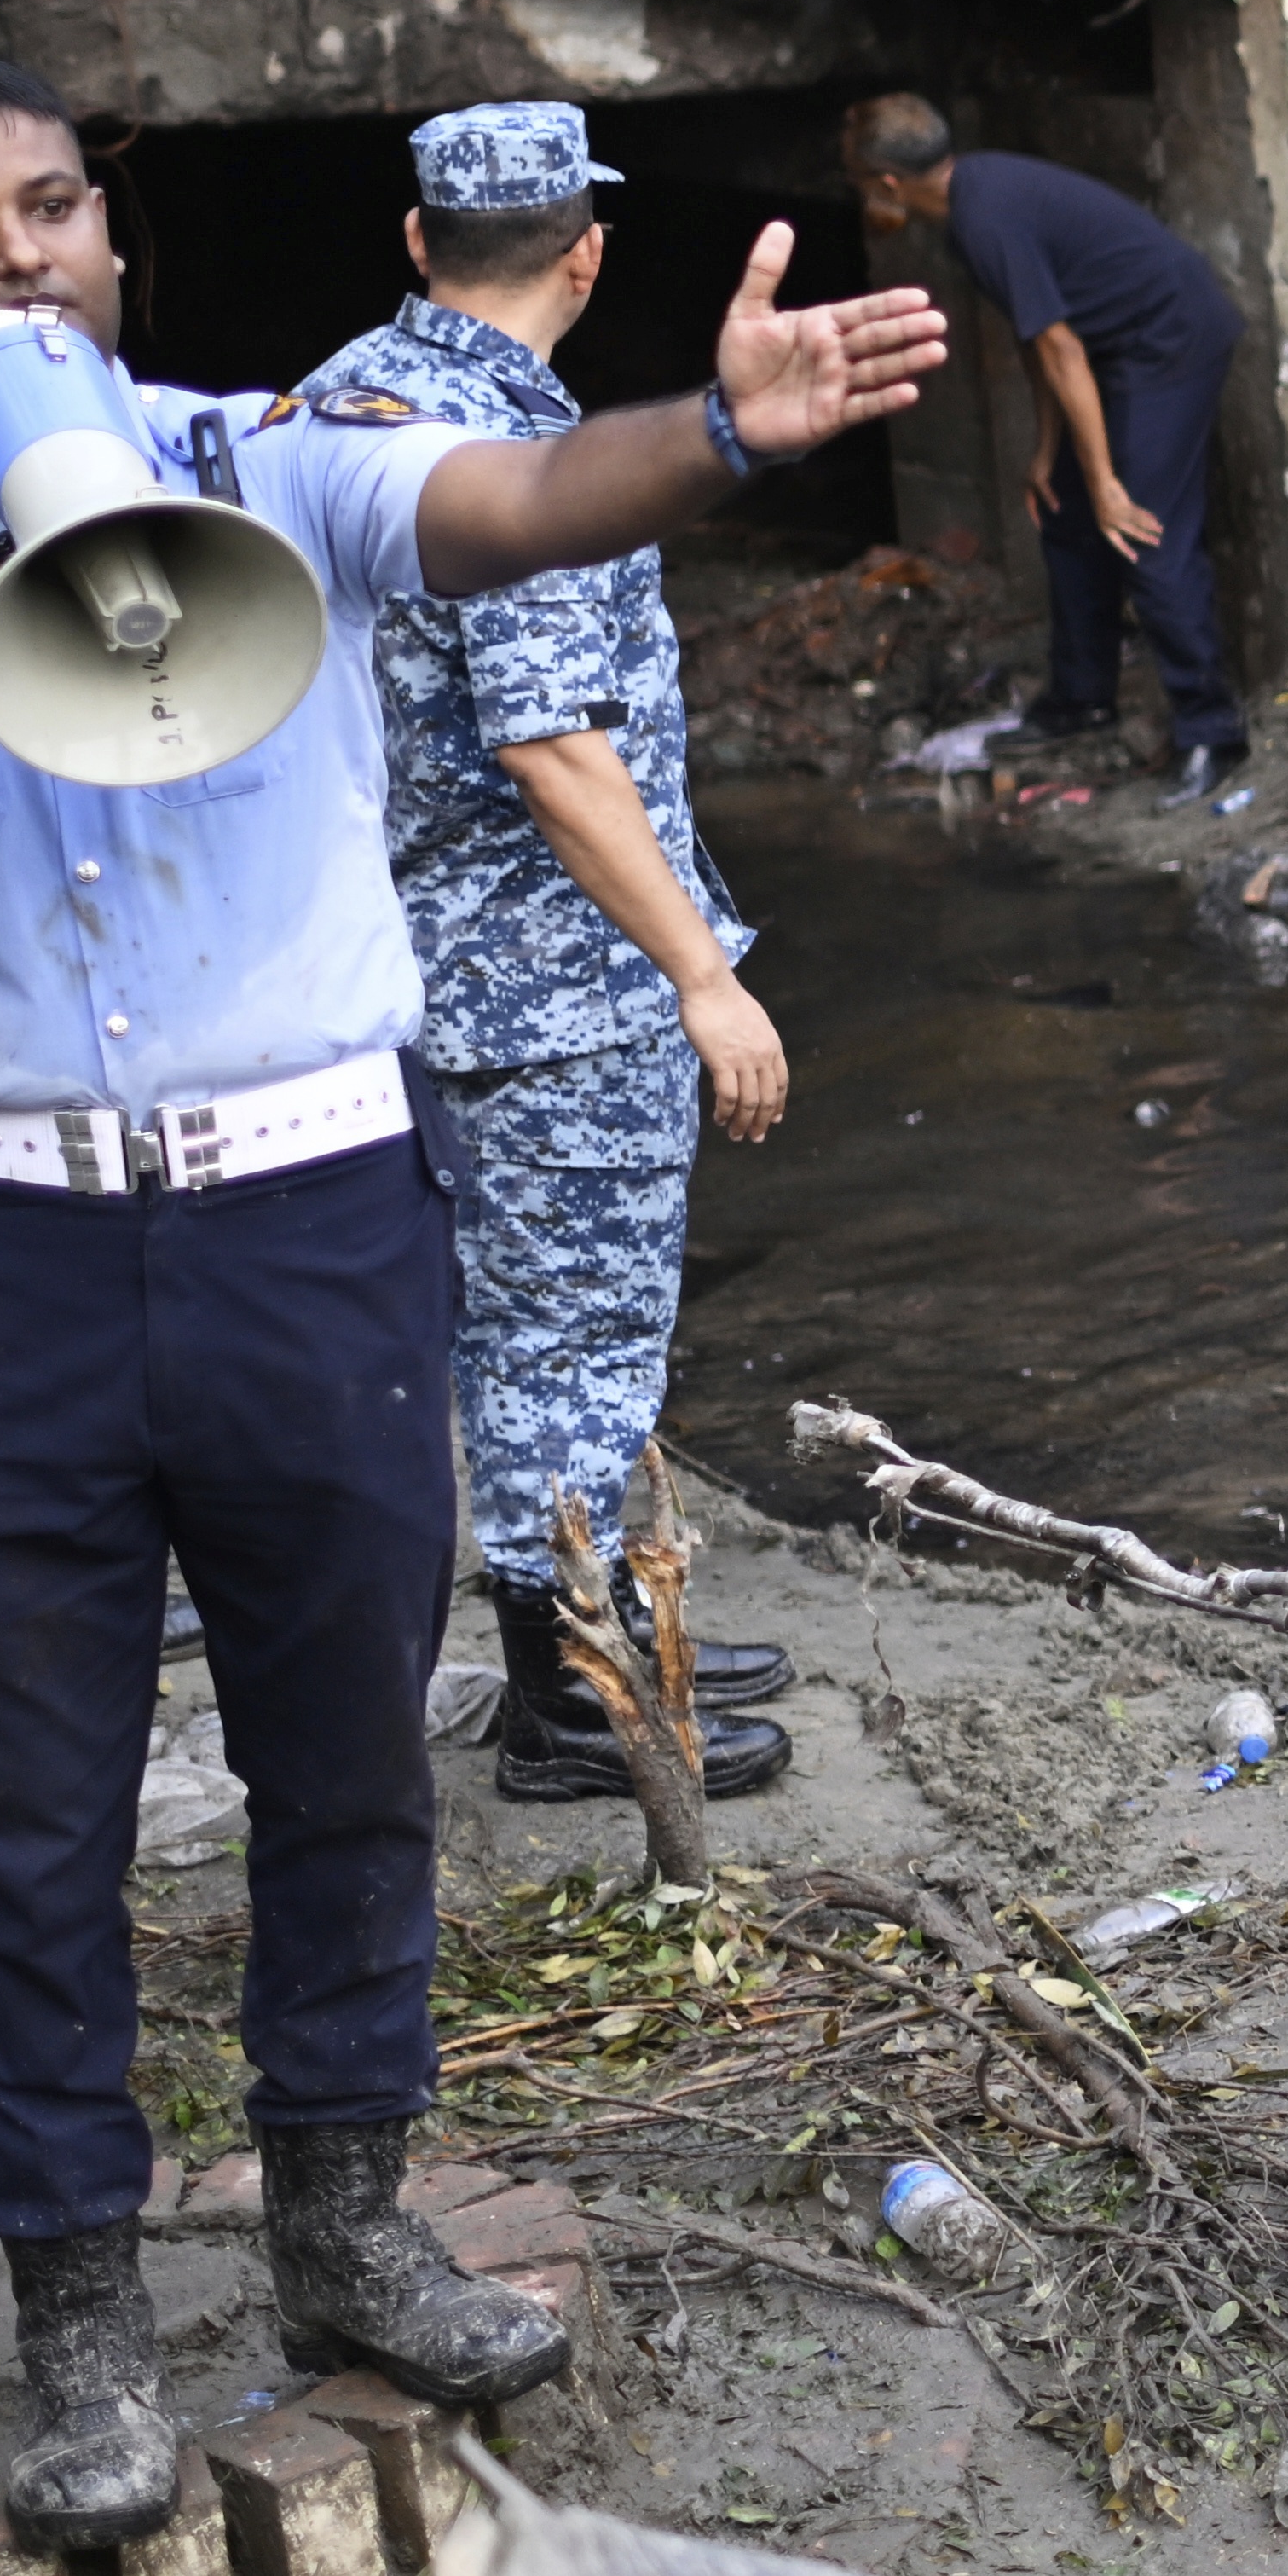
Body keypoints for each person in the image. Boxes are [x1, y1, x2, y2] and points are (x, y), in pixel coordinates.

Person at [0, 55, 941, 2542]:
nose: (15, 257)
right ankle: (81, 2325)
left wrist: (715, 437)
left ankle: (343, 2222)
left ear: (120, 235)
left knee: (343, 1759)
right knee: (28, 1811)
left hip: (307, 1210)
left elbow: (517, 500)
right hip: (26, 1237)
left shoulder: (285, 456)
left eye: (52, 204)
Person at [329, 104, 799, 1809]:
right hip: (553, 975)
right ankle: (572, 1705)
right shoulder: (517, 455)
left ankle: (603, 1635)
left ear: (416, 238)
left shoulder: (347, 395)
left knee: (524, 1333)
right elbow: (551, 743)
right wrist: (699, 969)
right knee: (576, 1342)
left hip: (423, 955)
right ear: (586, 251)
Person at [842, 95, 1250, 801]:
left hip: (1168, 342)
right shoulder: (973, 198)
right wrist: (1049, 449)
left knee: (1143, 535)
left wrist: (1106, 483)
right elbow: (1042, 338)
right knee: (1064, 510)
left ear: (885, 184)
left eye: (857, 186)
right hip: (1111, 351)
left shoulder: (983, 217)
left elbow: (1059, 346)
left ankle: (1213, 733)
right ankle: (1081, 698)